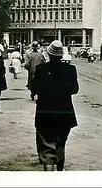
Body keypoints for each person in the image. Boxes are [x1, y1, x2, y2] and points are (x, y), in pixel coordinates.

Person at [31, 40, 79, 171]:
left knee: (46, 149)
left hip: (45, 114)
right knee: (60, 144)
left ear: (49, 54)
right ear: (61, 55)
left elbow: (34, 87)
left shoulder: (41, 69)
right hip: (65, 114)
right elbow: (75, 89)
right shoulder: (70, 69)